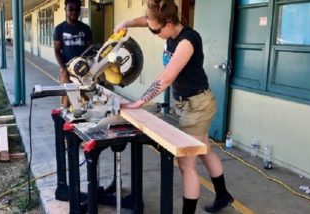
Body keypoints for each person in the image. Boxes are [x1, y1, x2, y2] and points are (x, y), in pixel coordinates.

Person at [115, 0, 233, 213]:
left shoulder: (188, 41)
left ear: (168, 23)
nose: (153, 33)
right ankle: (223, 195)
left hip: (197, 106)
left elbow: (167, 77)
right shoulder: (167, 29)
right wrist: (126, 22)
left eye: (155, 31)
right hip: (189, 104)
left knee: (186, 164)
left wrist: (140, 101)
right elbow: (147, 21)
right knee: (204, 150)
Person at [53, 0, 92, 107]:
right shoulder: (59, 29)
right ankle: (64, 121)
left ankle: (81, 120)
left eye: (77, 10)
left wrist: (88, 67)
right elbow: (57, 50)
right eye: (71, 9)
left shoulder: (86, 29)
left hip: (83, 69)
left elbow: (90, 50)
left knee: (85, 99)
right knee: (66, 100)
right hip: (66, 68)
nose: (74, 12)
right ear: (65, 9)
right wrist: (63, 69)